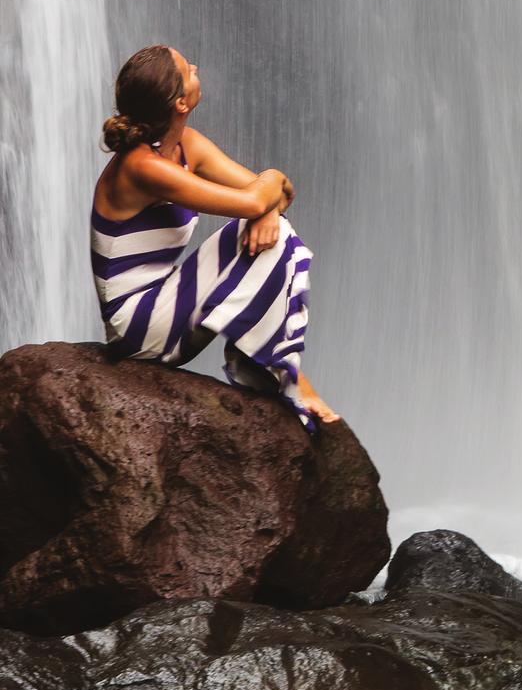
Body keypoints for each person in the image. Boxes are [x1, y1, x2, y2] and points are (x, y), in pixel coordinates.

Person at [90, 44, 339, 430]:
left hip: (164, 299)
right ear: (180, 103)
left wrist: (265, 206)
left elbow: (275, 197)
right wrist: (268, 189)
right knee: (268, 233)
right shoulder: (142, 168)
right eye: (187, 71)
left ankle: (262, 359)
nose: (195, 66)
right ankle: (280, 371)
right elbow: (261, 193)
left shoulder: (186, 145)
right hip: (136, 326)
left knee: (272, 229)